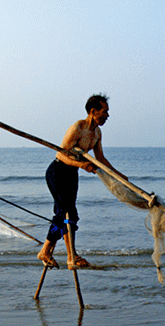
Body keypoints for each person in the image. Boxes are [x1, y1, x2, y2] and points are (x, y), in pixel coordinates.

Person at [37, 94, 125, 270]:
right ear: (93, 111)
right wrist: (82, 165)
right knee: (66, 212)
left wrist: (118, 175)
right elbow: (61, 154)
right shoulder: (78, 127)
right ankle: (69, 256)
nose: (107, 115)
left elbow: (100, 158)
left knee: (67, 216)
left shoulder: (96, 133)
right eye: (104, 111)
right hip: (58, 171)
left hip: (72, 174)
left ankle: (48, 251)